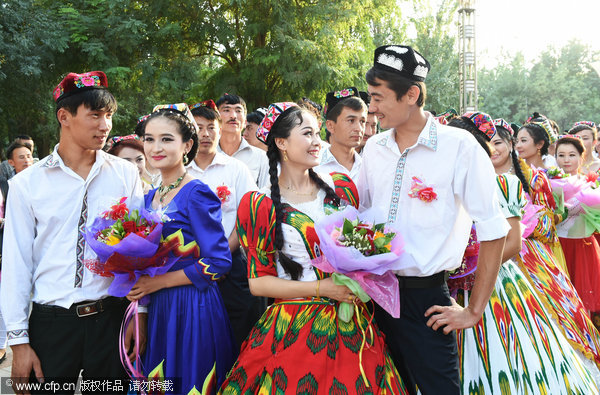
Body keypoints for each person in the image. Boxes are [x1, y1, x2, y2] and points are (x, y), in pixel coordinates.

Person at [219, 103, 407, 394]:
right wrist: (323, 289)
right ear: (281, 142)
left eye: (318, 133)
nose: (317, 142)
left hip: (353, 321)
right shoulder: (260, 204)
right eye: (307, 134)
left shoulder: (341, 187)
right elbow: (258, 284)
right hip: (295, 325)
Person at [357, 45, 509, 395]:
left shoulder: (460, 147)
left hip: (427, 302)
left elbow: (494, 230)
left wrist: (473, 310)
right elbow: (363, 218)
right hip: (374, 295)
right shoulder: (374, 149)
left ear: (412, 94)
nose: (372, 108)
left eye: (378, 98)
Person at [0, 71, 144, 392]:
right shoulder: (27, 184)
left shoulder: (124, 174)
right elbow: (16, 264)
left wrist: (139, 314)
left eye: (108, 115)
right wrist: (19, 343)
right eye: (94, 115)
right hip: (52, 324)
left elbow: (137, 250)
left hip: (112, 319)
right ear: (64, 116)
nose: (104, 125)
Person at [448, 113, 598, 393]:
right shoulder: (441, 185)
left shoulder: (505, 184)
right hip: (450, 286)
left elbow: (514, 243)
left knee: (506, 352)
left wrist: (470, 270)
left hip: (495, 283)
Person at [127, 103, 236, 394]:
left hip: (193, 307)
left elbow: (219, 261)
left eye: (166, 139)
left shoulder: (197, 192)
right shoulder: (149, 197)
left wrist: (158, 282)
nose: (155, 147)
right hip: (160, 308)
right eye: (149, 139)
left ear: (187, 144)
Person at [188, 100, 263, 349]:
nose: (205, 134)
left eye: (211, 127)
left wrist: (219, 255)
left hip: (232, 265)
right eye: (198, 127)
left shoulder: (236, 169)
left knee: (239, 335)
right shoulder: (179, 172)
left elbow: (248, 216)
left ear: (220, 130)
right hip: (188, 269)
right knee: (199, 340)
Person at [554, 136, 600, 319]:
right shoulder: (549, 182)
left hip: (582, 248)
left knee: (582, 300)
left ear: (581, 157)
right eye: (561, 155)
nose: (566, 160)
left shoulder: (592, 184)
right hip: (557, 246)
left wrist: (586, 208)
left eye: (572, 155)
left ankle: (587, 343)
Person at [0, 140, 34, 366]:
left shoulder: (8, 185)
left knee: (6, 293)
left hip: (7, 247)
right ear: (10, 162)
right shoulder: (11, 183)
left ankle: (2, 343)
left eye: (28, 155)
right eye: (20, 157)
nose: (26, 160)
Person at [314, 87, 366, 183]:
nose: (359, 128)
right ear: (330, 126)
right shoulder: (314, 167)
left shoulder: (368, 168)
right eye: (351, 120)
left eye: (362, 121)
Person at [216, 94, 269, 187]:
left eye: (238, 111)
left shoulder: (261, 158)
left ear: (245, 122)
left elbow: (265, 196)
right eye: (226, 110)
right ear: (216, 119)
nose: (233, 116)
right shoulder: (205, 156)